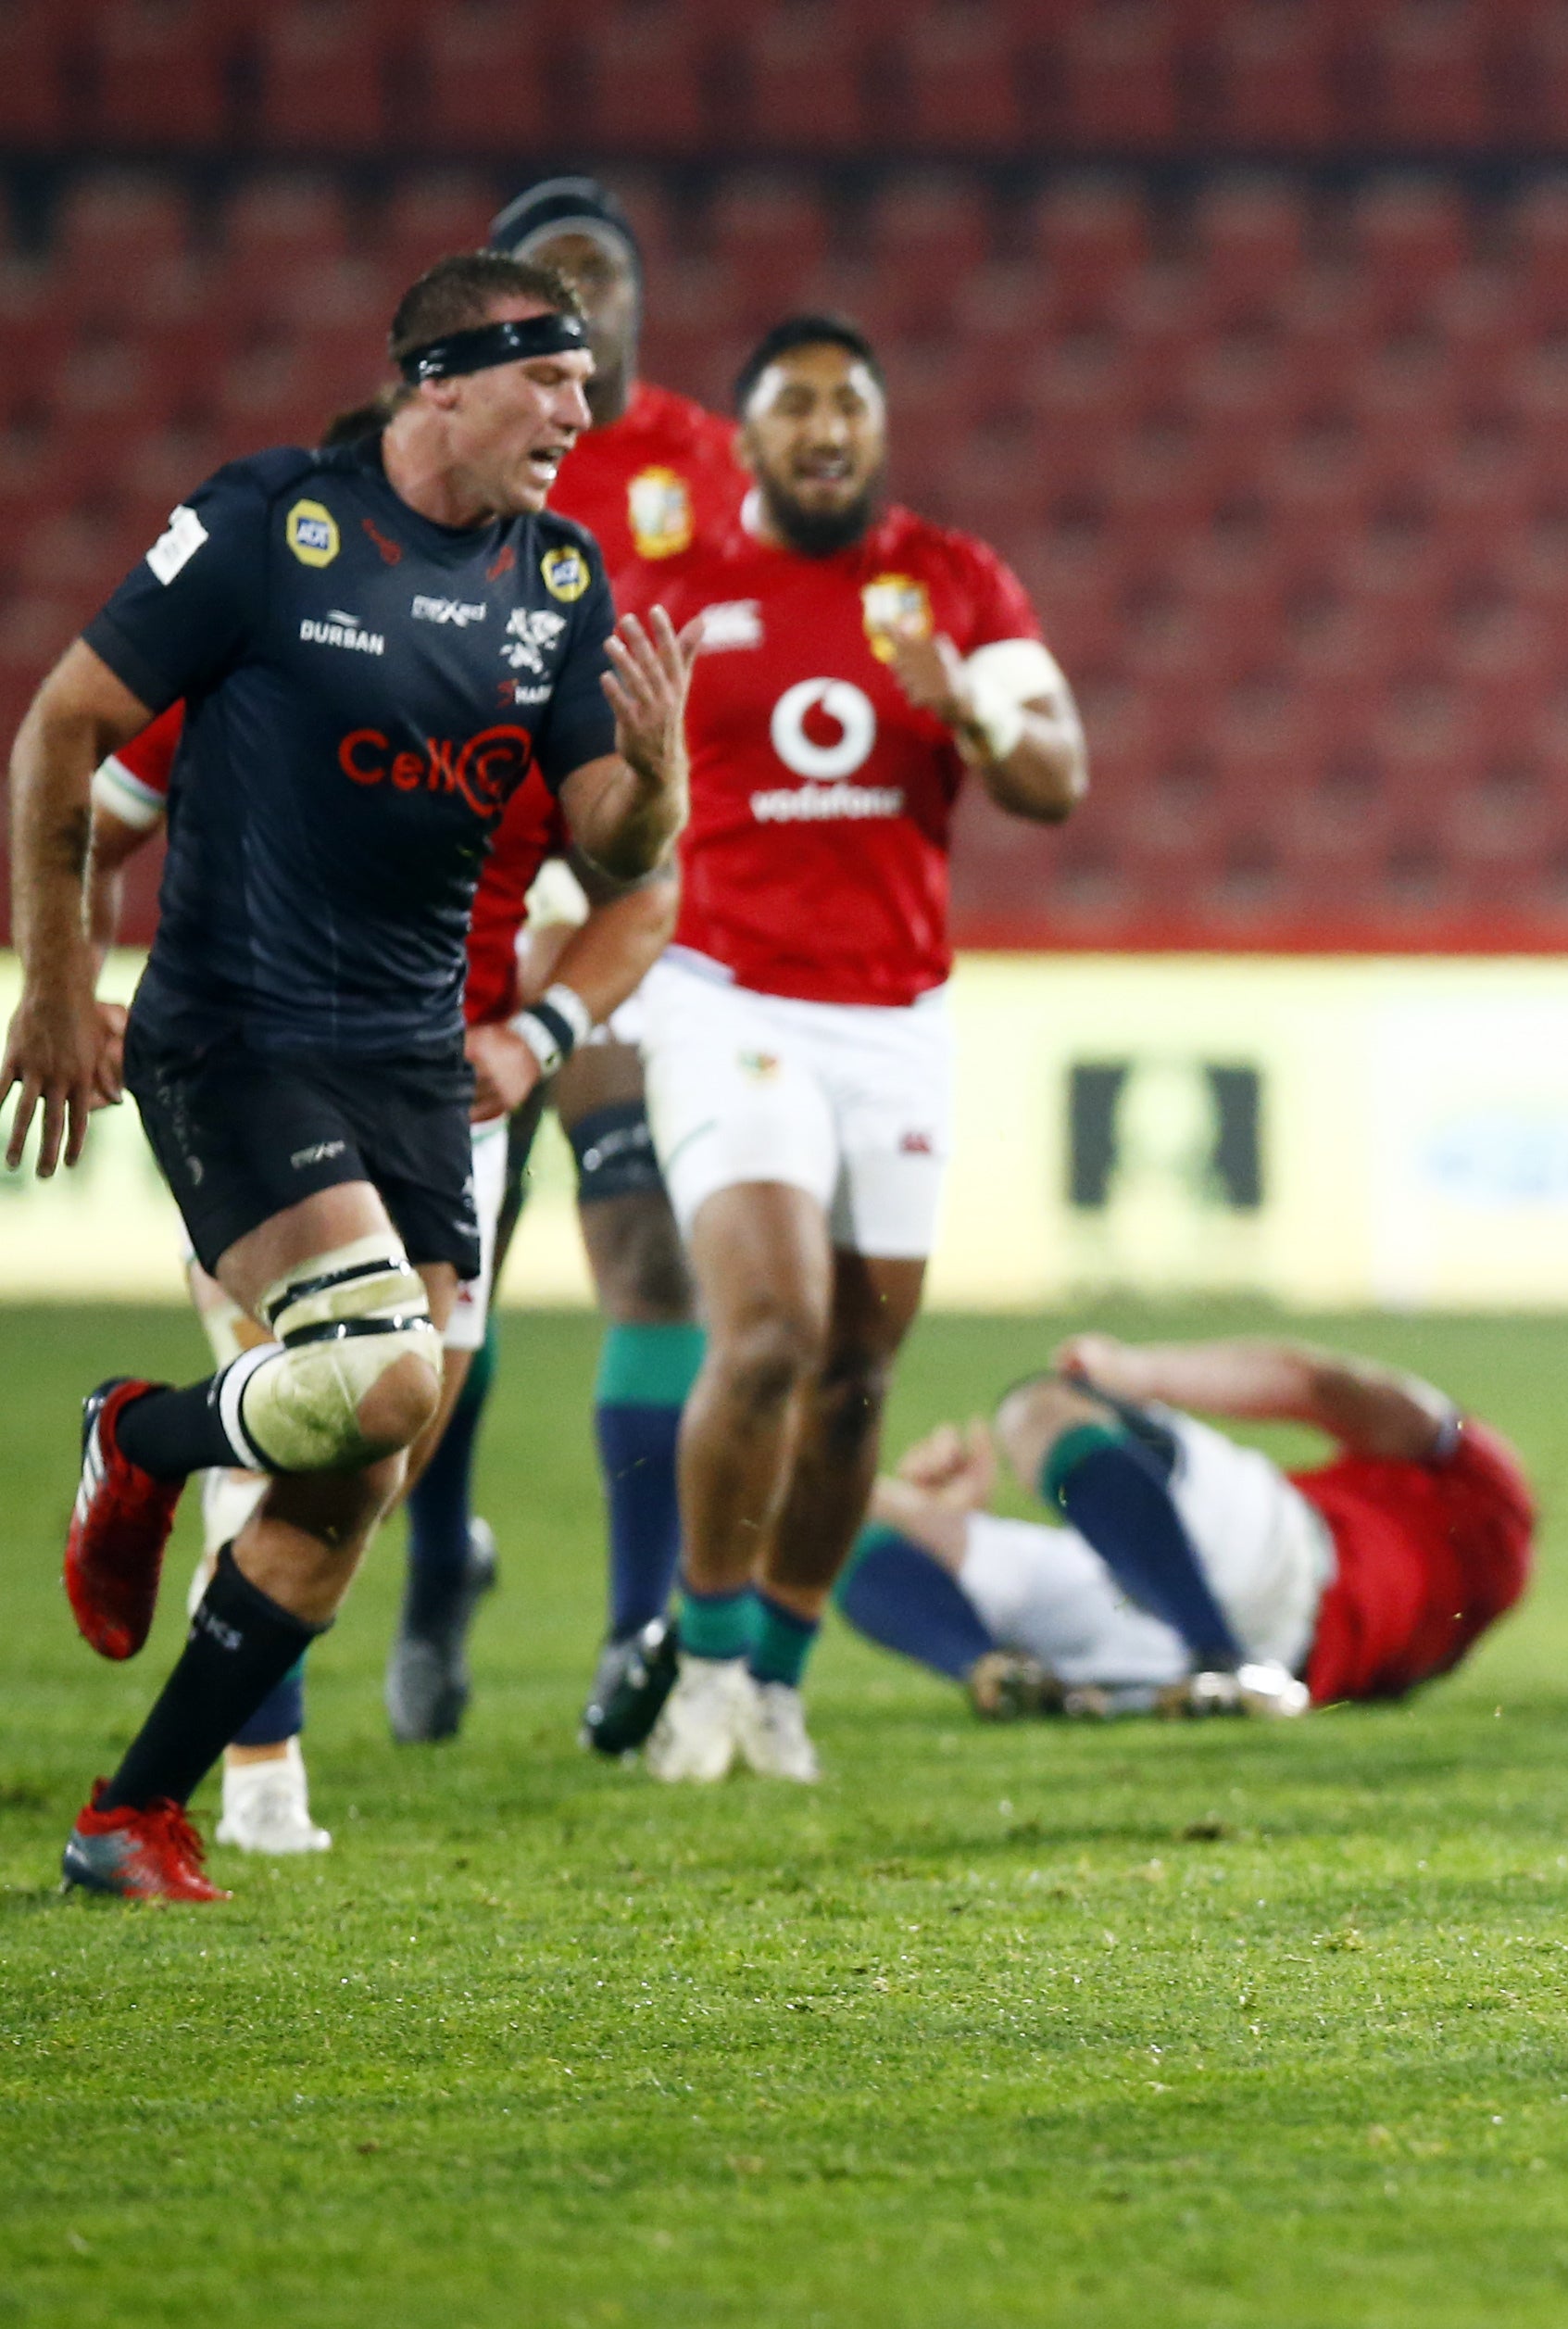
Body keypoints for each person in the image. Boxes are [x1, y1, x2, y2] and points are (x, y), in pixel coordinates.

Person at [1, 252, 696, 1901]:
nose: (583, 411)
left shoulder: (559, 577)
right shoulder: (264, 526)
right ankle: (144, 1434)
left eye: (589, 382)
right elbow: (61, 731)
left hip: (408, 1064)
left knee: (366, 1466)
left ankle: (132, 1812)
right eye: (553, 376)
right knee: (379, 1376)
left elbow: (612, 840)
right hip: (238, 1027)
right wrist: (55, 980)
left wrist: (655, 788)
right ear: (441, 377)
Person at [594, 313, 1085, 1786]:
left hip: (897, 1021)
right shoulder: (677, 583)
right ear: (744, 439)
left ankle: (779, 1685)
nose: (824, 428)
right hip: (728, 997)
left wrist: (975, 711)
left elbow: (1061, 780)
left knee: (859, 1367)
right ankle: (704, 1653)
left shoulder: (953, 582)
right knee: (769, 1333)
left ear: (878, 432)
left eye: (849, 406)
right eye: (794, 406)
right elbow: (602, 789)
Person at [488, 175, 757, 1744]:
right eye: (549, 273)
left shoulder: (715, 472)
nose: (582, 294)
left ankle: (635, 1618)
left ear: (638, 305)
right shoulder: (448, 462)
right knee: (446, 1264)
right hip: (455, 888)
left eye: (602, 272)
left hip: (631, 911)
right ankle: (438, 1563)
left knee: (640, 1243)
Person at [837, 1334, 1532, 1718]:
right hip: (1236, 1655)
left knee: (1038, 1408)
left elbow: (1313, 1382)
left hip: (1286, 1569)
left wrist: (1136, 1370)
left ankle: (982, 1663)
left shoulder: (1480, 1475)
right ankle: (1011, 1674)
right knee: (837, 1518)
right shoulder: (1445, 1623)